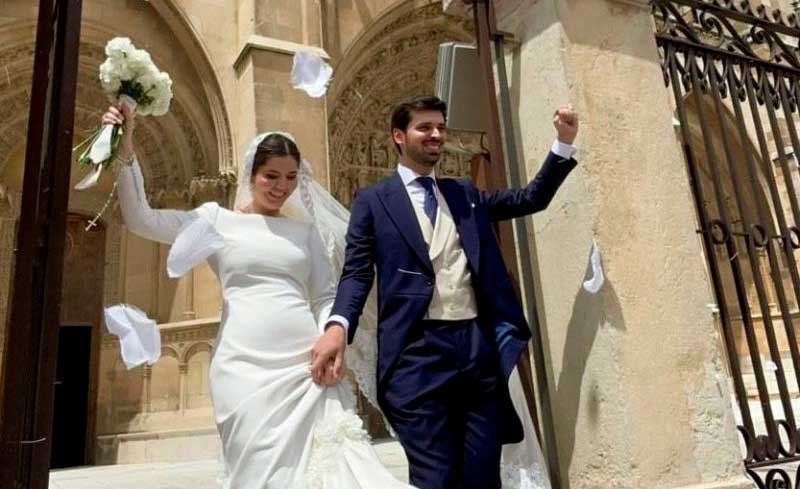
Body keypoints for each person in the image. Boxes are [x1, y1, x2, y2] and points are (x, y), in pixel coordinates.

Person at [102, 101, 416, 489]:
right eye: (271, 176)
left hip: (306, 367)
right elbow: (141, 219)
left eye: (289, 177)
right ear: (251, 174)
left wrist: (331, 339)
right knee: (257, 473)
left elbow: (324, 296)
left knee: (338, 468)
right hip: (241, 369)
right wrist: (126, 144)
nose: (281, 187)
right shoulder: (216, 221)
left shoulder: (305, 233)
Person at [315, 95, 579, 489]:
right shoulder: (373, 201)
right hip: (415, 354)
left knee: (482, 476)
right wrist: (338, 325)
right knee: (435, 478)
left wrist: (564, 142)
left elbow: (530, 198)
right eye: (425, 128)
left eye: (441, 127)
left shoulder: (464, 193)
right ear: (399, 136)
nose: (436, 135)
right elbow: (356, 273)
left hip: (475, 350)